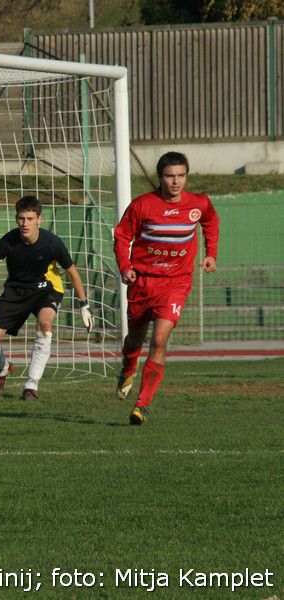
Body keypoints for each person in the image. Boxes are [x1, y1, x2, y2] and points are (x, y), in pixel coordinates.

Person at [113, 151, 219, 425]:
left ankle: (142, 404)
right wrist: (125, 266)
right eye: (170, 176)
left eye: (181, 176)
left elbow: (210, 221)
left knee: (160, 340)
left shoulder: (199, 203)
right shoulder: (142, 205)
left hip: (176, 283)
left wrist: (211, 254)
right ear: (160, 177)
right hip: (143, 282)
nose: (176, 182)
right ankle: (128, 366)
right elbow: (122, 236)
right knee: (134, 341)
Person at [0, 196, 94, 399]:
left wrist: (84, 304)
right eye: (21, 218)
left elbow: (71, 271)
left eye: (30, 218)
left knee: (45, 324)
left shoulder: (52, 242)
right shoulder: (9, 241)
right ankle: (4, 369)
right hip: (15, 291)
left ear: (39, 219)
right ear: (16, 219)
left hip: (46, 289)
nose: (25, 224)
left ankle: (31, 384)